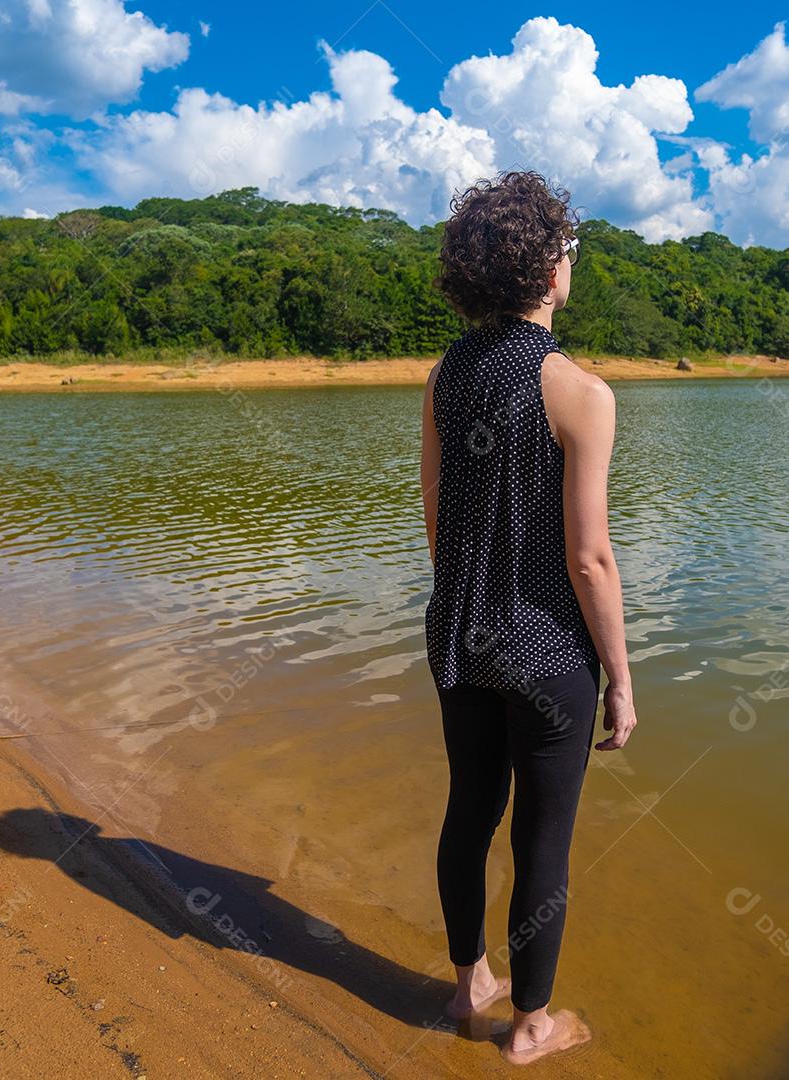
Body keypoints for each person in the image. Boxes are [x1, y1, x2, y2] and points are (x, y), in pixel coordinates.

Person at [420, 170, 638, 1066]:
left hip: (460, 631)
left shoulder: (445, 374)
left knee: (470, 807)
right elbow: (590, 559)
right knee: (542, 836)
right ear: (548, 270)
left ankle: (470, 980)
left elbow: (437, 519)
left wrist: (472, 607)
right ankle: (533, 1027)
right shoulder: (578, 390)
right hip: (545, 649)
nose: (569, 265)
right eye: (568, 251)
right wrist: (621, 679)